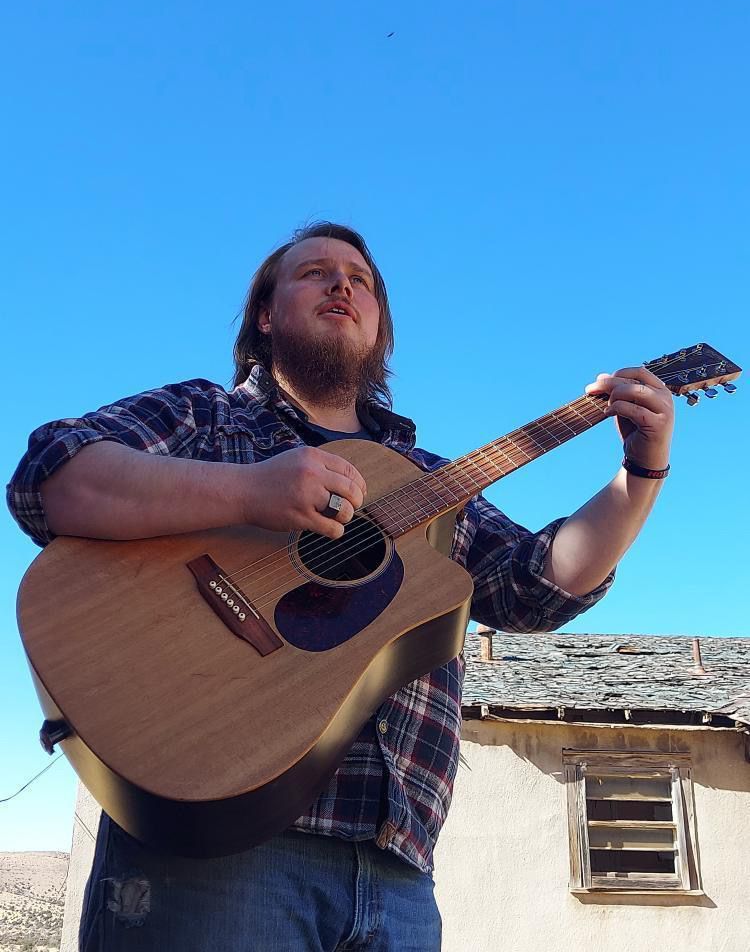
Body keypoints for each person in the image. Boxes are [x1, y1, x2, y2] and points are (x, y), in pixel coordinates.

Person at [7, 222, 674, 951]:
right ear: (265, 315)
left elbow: (535, 587)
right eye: (315, 272)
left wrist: (641, 474)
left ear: (379, 326)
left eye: (361, 280)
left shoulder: (429, 481)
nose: (342, 285)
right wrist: (249, 492)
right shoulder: (206, 415)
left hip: (398, 870)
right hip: (212, 848)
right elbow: (52, 476)